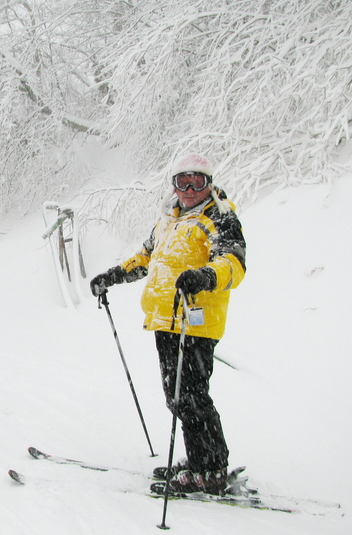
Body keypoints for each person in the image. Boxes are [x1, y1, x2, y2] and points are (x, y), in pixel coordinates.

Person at [89, 153, 246, 496]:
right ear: (173, 185)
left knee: (191, 396)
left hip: (196, 321)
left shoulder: (220, 216)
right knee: (177, 397)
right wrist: (112, 276)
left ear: (209, 184)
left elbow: (233, 262)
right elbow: (145, 258)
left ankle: (211, 470)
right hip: (165, 320)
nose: (189, 189)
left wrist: (205, 275)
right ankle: (198, 460)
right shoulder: (168, 220)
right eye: (182, 182)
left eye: (197, 182)